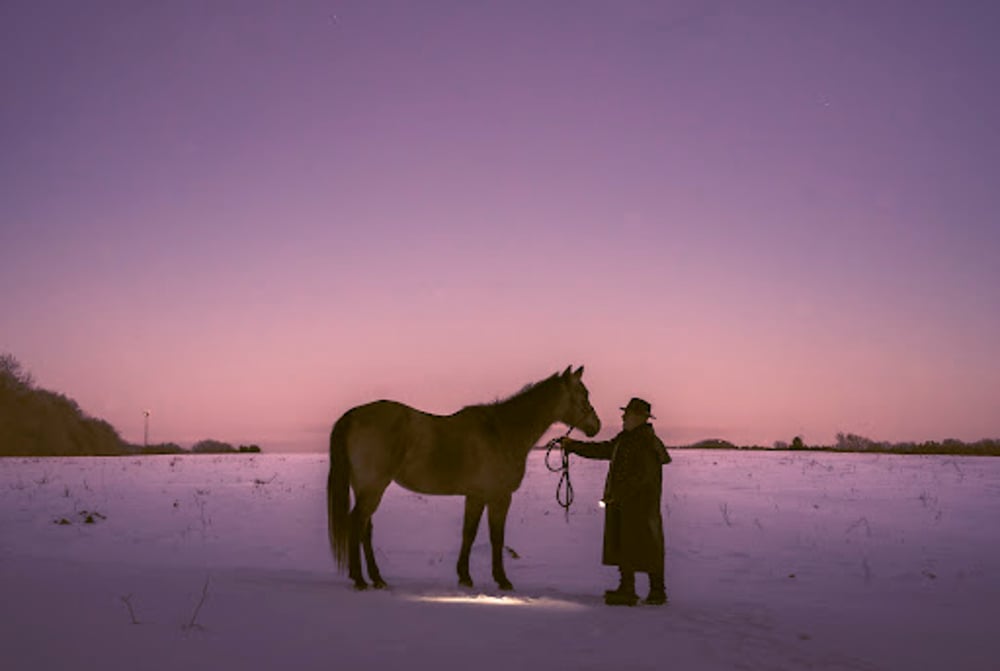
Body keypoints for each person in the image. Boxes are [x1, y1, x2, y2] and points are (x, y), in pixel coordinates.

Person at [560, 397, 672, 606]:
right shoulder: (628, 438)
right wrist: (573, 446)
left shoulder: (646, 442)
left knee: (640, 545)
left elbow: (642, 477)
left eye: (627, 414)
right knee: (631, 544)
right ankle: (633, 588)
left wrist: (619, 495)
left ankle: (646, 591)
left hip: (639, 506)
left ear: (639, 418)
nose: (623, 417)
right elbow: (603, 450)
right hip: (628, 503)